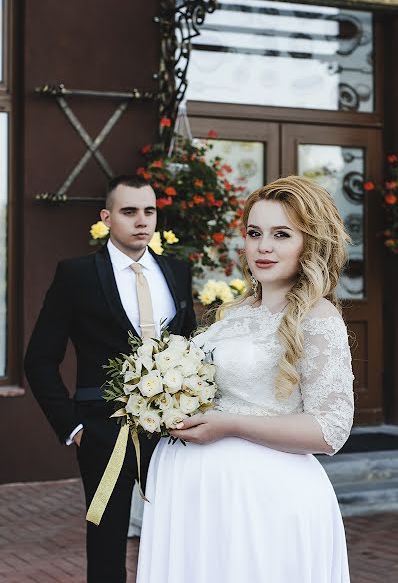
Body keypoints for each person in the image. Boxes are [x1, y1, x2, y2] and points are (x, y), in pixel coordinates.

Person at [136, 175, 354, 583]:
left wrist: (229, 424)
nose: (263, 247)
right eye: (255, 233)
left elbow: (331, 429)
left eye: (281, 234)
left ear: (310, 242)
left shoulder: (318, 318)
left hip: (262, 501)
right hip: (198, 499)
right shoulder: (234, 313)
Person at [24, 175, 196, 583]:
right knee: (106, 538)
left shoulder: (177, 270)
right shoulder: (77, 274)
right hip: (104, 428)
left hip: (174, 428)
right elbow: (39, 359)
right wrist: (73, 427)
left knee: (177, 532)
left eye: (149, 211)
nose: (142, 221)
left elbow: (188, 344)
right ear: (106, 217)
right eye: (129, 211)